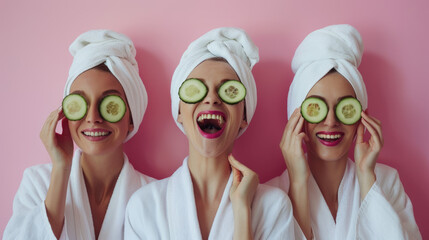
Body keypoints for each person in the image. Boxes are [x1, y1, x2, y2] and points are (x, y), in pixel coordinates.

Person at [125, 27, 294, 240]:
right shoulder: (144, 206)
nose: (212, 99)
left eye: (228, 91)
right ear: (179, 111)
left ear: (244, 116)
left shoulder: (274, 207)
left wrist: (243, 213)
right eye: (196, 89)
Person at [267, 24, 422, 240]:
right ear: (296, 117)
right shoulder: (270, 195)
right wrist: (298, 183)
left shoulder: (386, 181)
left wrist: (367, 178)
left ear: (361, 116)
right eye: (316, 109)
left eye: (345, 109)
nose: (331, 121)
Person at [4, 30, 153, 240]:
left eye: (110, 105)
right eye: (80, 103)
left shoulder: (156, 195)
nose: (93, 117)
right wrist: (60, 169)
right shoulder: (38, 183)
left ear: (131, 118)